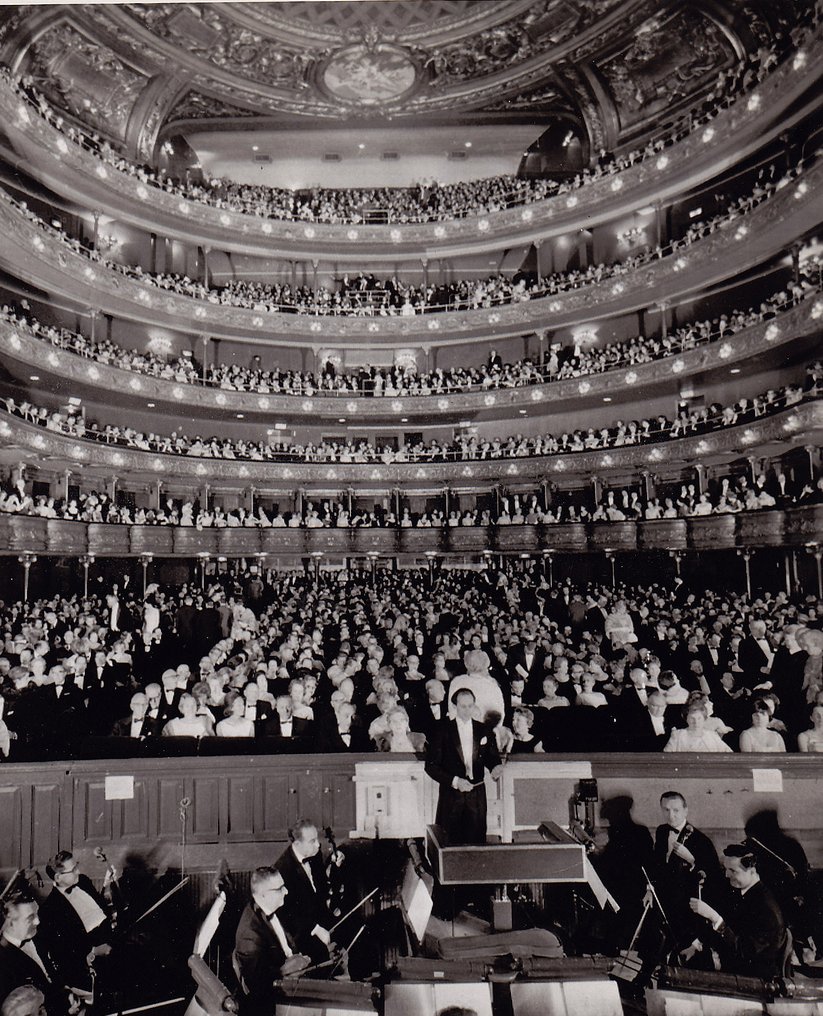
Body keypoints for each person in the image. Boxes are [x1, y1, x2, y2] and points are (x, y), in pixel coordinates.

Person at [688, 843, 789, 978]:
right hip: (735, 967)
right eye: (725, 869)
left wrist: (715, 918)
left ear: (752, 871)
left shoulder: (767, 909)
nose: (727, 875)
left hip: (754, 979)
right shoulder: (741, 893)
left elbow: (745, 951)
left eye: (733, 871)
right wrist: (696, 946)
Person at [424, 688, 502, 845]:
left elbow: (491, 757)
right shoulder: (442, 730)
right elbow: (430, 766)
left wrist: (496, 767)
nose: (467, 710)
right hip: (451, 796)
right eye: (463, 706)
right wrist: (455, 782)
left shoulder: (484, 730)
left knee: (477, 841)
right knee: (449, 843)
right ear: (455, 707)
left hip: (477, 795)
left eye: (470, 706)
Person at [233, 866, 310, 1012]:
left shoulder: (268, 907)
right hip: (270, 1004)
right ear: (263, 895)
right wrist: (285, 970)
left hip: (288, 984)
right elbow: (257, 985)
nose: (286, 892)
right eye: (280, 889)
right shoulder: (250, 934)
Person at [39, 851, 115, 998]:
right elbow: (63, 953)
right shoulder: (49, 910)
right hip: (93, 963)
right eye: (73, 870)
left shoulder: (83, 881)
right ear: (57, 877)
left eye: (77, 866)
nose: (78, 871)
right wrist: (94, 951)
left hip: (113, 940)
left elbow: (102, 909)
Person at [274, 820, 333, 964]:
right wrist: (317, 929)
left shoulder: (315, 854)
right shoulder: (283, 869)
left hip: (320, 915)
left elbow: (321, 886)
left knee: (356, 927)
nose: (318, 845)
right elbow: (288, 913)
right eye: (312, 841)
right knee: (320, 954)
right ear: (297, 844)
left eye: (317, 839)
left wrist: (333, 867)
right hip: (300, 929)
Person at [0, 896, 62, 1015]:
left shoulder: (37, 938)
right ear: (10, 922)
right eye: (30, 917)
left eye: (37, 914)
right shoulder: (3, 960)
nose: (37, 921)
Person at [663, 700, 732, 752]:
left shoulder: (712, 735)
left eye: (699, 718)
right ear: (686, 719)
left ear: (704, 719)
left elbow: (729, 753)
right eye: (692, 718)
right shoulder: (677, 735)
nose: (696, 722)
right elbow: (666, 757)